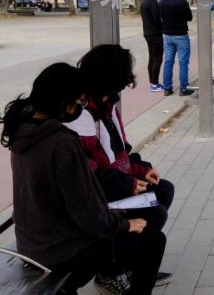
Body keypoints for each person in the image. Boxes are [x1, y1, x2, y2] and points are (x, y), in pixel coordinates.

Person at [1, 62, 166, 294]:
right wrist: (123, 225)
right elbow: (86, 211)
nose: (80, 108)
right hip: (59, 248)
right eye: (78, 103)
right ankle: (104, 278)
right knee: (153, 241)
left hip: (33, 239)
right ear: (62, 101)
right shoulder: (60, 143)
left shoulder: (24, 130)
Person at [65, 45, 175, 235]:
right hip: (100, 194)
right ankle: (123, 250)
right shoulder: (79, 116)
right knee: (156, 217)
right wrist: (127, 185)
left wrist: (141, 169)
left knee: (163, 189)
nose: (125, 84)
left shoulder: (106, 105)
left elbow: (121, 150)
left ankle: (129, 247)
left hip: (113, 184)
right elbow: (87, 174)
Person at [158, 0, 194, 96]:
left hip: (167, 36)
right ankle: (184, 89)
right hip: (181, 36)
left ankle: (167, 89)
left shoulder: (161, 3)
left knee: (168, 62)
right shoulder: (181, 2)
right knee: (183, 62)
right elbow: (189, 17)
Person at [141, 0, 166, 92]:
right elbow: (157, 19)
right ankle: (155, 84)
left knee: (152, 58)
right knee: (158, 59)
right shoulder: (153, 3)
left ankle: (152, 82)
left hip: (147, 33)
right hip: (155, 34)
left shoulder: (144, 2)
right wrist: (164, 27)